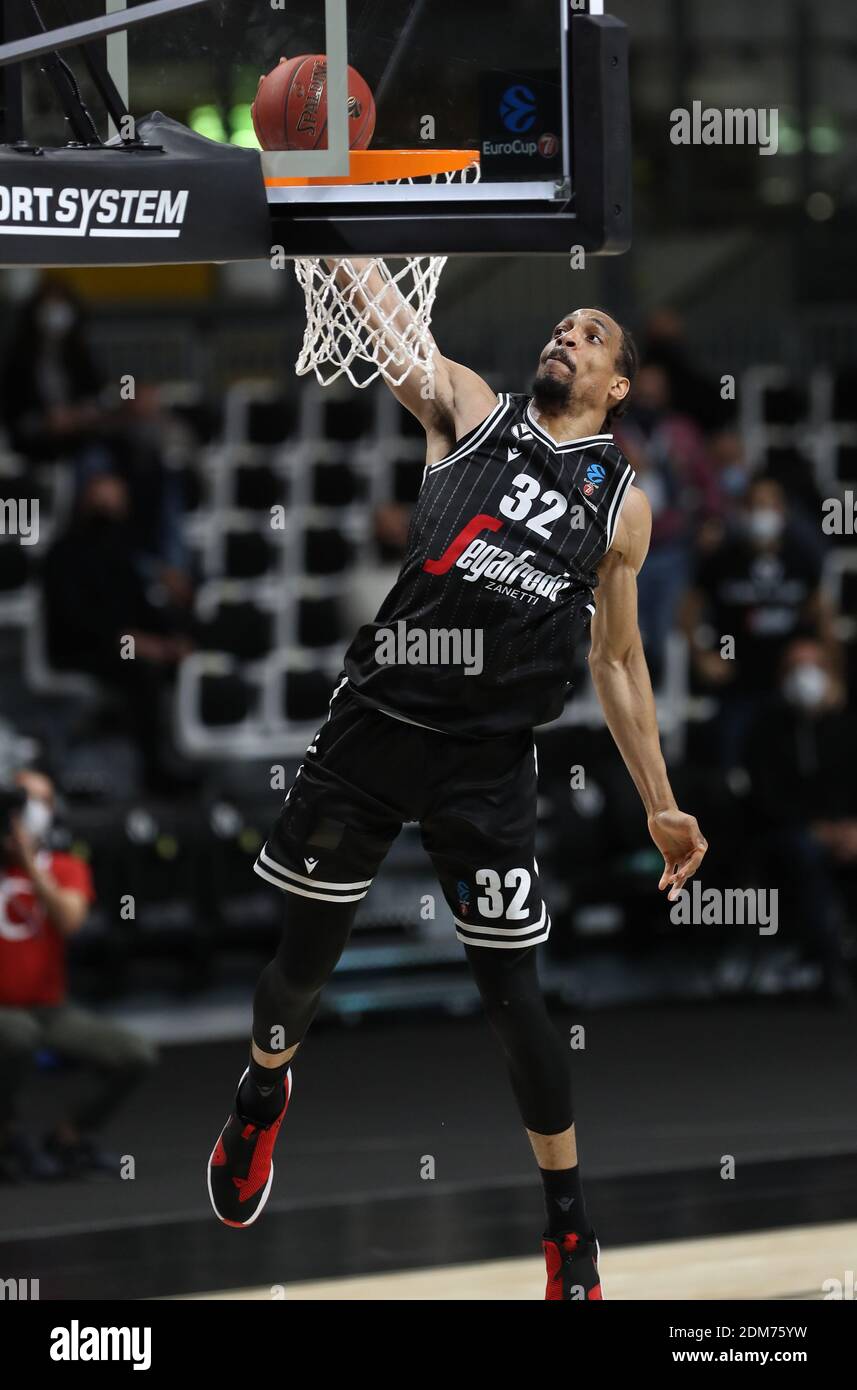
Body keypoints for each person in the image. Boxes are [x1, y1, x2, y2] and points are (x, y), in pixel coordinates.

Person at [207, 285, 708, 1302]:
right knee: (300, 969)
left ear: (615, 386)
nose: (562, 334)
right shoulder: (470, 412)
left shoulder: (619, 505)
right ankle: (262, 1092)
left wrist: (658, 798)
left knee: (516, 1003)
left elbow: (616, 662)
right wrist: (328, 221)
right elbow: (392, 324)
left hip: (485, 765)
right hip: (374, 730)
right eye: (557, 323)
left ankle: (568, 1231)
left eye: (589, 334)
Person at [0, 770, 157, 1180]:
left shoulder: (66, 867)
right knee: (16, 1036)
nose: (27, 812)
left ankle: (68, 1137)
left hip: (50, 1009)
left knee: (134, 1053)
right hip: (4, 1012)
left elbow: (68, 919)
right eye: (20, 801)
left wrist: (29, 864)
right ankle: (7, 1135)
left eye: (39, 801)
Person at [682, 475, 836, 770]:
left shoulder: (802, 559)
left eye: (768, 505)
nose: (761, 513)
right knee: (730, 764)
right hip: (737, 681)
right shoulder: (722, 560)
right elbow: (688, 608)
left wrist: (831, 673)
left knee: (798, 764)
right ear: (742, 510)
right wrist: (701, 656)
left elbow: (823, 618)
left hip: (791, 683)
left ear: (783, 511)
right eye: (754, 505)